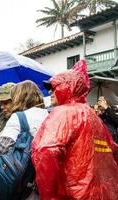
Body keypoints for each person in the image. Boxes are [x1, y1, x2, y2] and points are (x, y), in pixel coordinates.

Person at [32, 60, 118, 200]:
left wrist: (49, 196)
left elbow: (46, 152)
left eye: (54, 87)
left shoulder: (64, 113)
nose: (50, 92)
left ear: (68, 87)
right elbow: (113, 149)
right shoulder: (93, 117)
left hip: (73, 194)